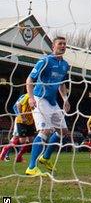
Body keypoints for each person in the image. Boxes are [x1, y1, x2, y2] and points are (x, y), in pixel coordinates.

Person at [25, 36, 71, 176]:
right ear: (53, 46)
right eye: (60, 43)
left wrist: (65, 99)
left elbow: (62, 84)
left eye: (64, 44)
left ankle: (45, 158)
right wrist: (31, 98)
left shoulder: (65, 65)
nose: (62, 46)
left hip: (52, 102)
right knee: (45, 131)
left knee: (63, 132)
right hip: (40, 99)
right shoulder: (44, 60)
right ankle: (31, 167)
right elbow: (29, 79)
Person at [0, 94, 36, 163]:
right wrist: (21, 116)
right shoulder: (25, 96)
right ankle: (5, 154)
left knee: (29, 140)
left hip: (29, 122)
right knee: (18, 138)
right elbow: (15, 106)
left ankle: (18, 157)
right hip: (21, 121)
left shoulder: (39, 97)